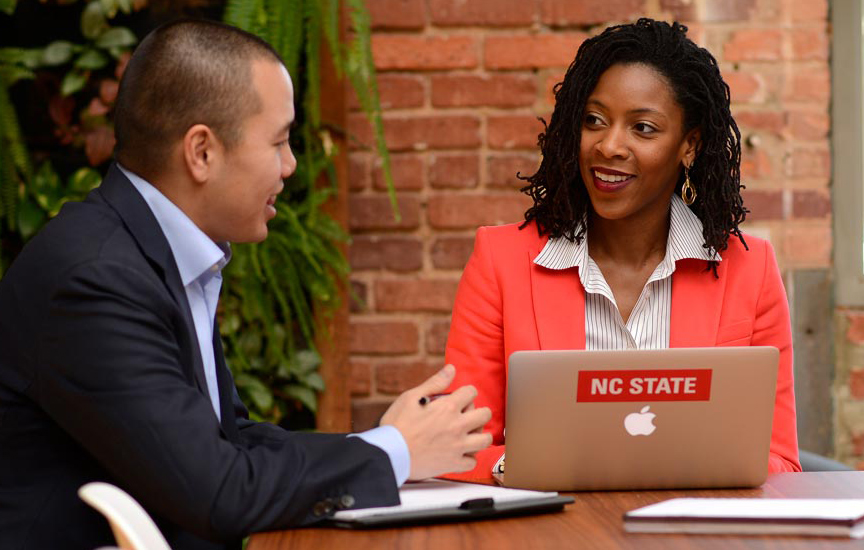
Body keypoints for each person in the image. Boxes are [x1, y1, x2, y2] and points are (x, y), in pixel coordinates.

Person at [0, 19, 491, 550]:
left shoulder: (148, 252)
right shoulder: (94, 279)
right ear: (202, 152)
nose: (291, 164)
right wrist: (393, 451)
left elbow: (233, 441)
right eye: (279, 140)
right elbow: (219, 491)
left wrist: (386, 445)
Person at [444, 18, 800, 479]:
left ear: (688, 146)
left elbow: (780, 461)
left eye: (643, 128)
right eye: (594, 120)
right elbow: (455, 445)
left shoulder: (749, 271)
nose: (609, 145)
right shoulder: (501, 261)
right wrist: (532, 464)